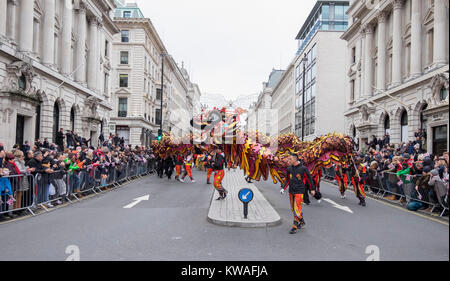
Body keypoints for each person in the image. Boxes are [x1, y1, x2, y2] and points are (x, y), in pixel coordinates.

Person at [280, 154, 316, 234]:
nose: (288, 161)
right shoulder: (289, 169)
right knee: (293, 209)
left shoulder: (303, 168)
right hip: (291, 191)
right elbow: (288, 180)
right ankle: (302, 221)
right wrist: (283, 188)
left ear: (295, 160)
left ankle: (294, 226)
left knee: (297, 209)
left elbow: (309, 179)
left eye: (290, 159)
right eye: (288, 159)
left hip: (300, 191)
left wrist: (312, 189)